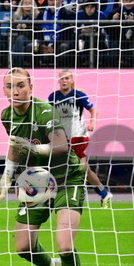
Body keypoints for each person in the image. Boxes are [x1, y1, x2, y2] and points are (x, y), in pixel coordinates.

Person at [0, 68, 86, 266]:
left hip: (66, 178)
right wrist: (6, 178)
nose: (16, 91)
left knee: (65, 244)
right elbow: (15, 145)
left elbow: (62, 146)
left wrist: (35, 149)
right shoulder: (6, 115)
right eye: (10, 86)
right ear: (4, 91)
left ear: (31, 88)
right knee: (23, 247)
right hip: (36, 182)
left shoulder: (45, 111)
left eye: (20, 85)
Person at [47, 70, 113, 207]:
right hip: (63, 138)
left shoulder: (78, 95)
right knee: (82, 169)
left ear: (71, 80)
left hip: (78, 136)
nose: (64, 81)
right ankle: (103, 193)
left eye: (67, 78)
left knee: (72, 167)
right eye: (61, 78)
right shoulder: (53, 97)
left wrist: (92, 123)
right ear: (58, 81)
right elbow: (48, 114)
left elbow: (93, 109)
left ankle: (55, 196)